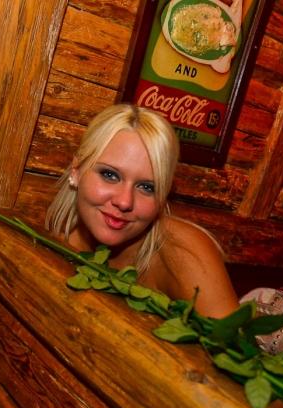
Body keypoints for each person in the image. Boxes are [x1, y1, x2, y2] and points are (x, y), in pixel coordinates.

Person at [46, 104, 238, 318]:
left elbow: (228, 337)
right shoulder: (55, 247)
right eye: (110, 175)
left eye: (147, 187)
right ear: (76, 170)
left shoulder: (184, 252)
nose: (124, 202)